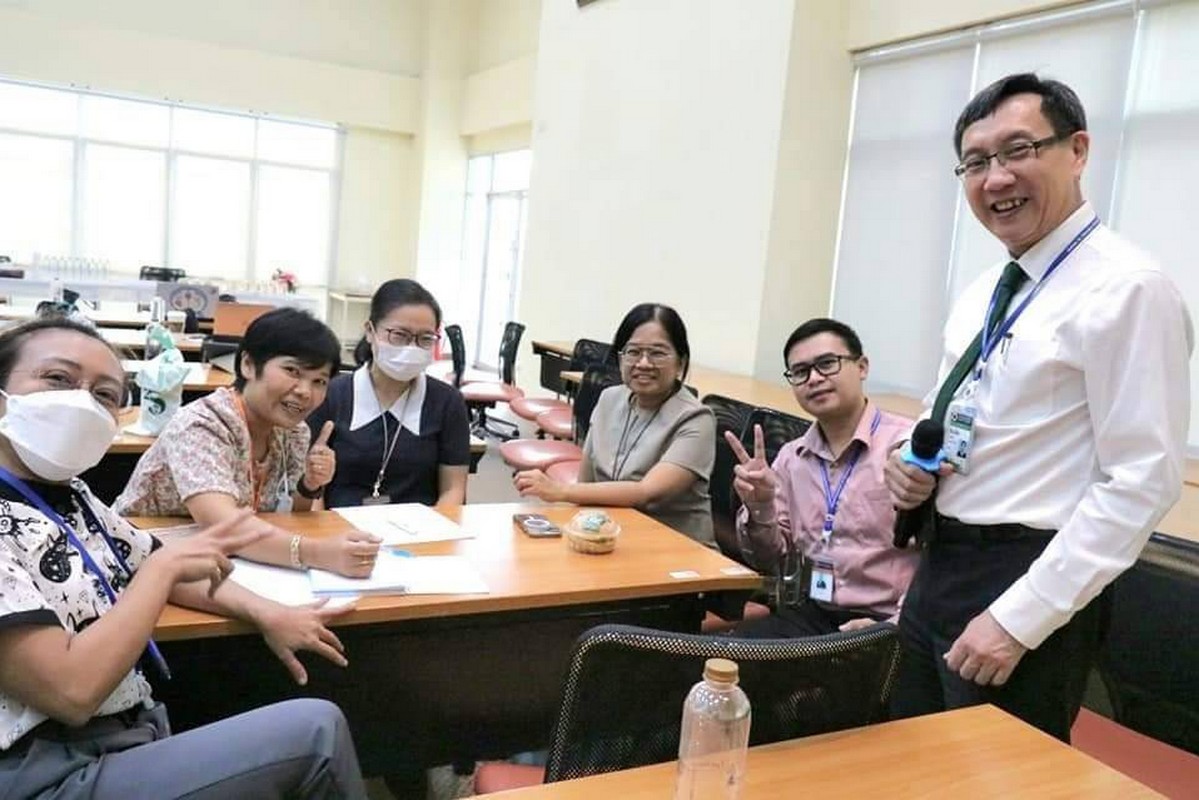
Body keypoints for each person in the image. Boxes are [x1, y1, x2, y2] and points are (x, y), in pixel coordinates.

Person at [884, 73, 1192, 741]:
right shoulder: (987, 290)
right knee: (909, 761)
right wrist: (907, 462)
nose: (995, 178)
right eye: (974, 162)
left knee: (992, 777)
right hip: (941, 564)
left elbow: (1142, 480)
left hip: (1024, 577)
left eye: (1017, 150)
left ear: (1076, 150)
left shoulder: (1127, 289)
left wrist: (1019, 618)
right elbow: (956, 407)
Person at [0, 317, 367, 798]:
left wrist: (269, 612)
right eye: (57, 379)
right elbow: (72, 692)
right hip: (44, 769)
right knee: (317, 732)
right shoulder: (204, 422)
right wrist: (164, 569)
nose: (82, 402)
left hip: (121, 731)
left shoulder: (72, 495)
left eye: (105, 394)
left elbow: (158, 560)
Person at [115, 307, 381, 578]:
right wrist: (319, 553)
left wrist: (309, 485)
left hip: (226, 560)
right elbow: (225, 527)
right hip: (133, 560)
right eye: (292, 371)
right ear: (248, 365)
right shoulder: (202, 424)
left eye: (319, 381)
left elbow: (291, 515)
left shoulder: (294, 431)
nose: (305, 392)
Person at [727, 318, 917, 637]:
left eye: (827, 364)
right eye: (800, 372)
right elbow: (768, 558)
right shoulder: (792, 457)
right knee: (726, 655)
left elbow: (940, 559)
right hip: (816, 610)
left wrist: (894, 626)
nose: (814, 379)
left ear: (862, 367)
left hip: (889, 620)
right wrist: (761, 509)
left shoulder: (904, 449)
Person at [514, 303, 717, 546]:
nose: (643, 363)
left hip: (678, 549)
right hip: (611, 538)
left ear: (681, 363)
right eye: (633, 352)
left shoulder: (696, 419)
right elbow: (586, 483)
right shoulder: (609, 399)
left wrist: (559, 491)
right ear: (620, 358)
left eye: (657, 353)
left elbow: (647, 493)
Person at [307, 279, 470, 509]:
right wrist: (324, 528)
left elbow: (453, 489)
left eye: (425, 338)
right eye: (399, 335)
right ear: (370, 331)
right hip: (339, 525)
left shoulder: (447, 402)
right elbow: (311, 489)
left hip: (421, 526)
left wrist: (434, 528)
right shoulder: (331, 395)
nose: (412, 347)